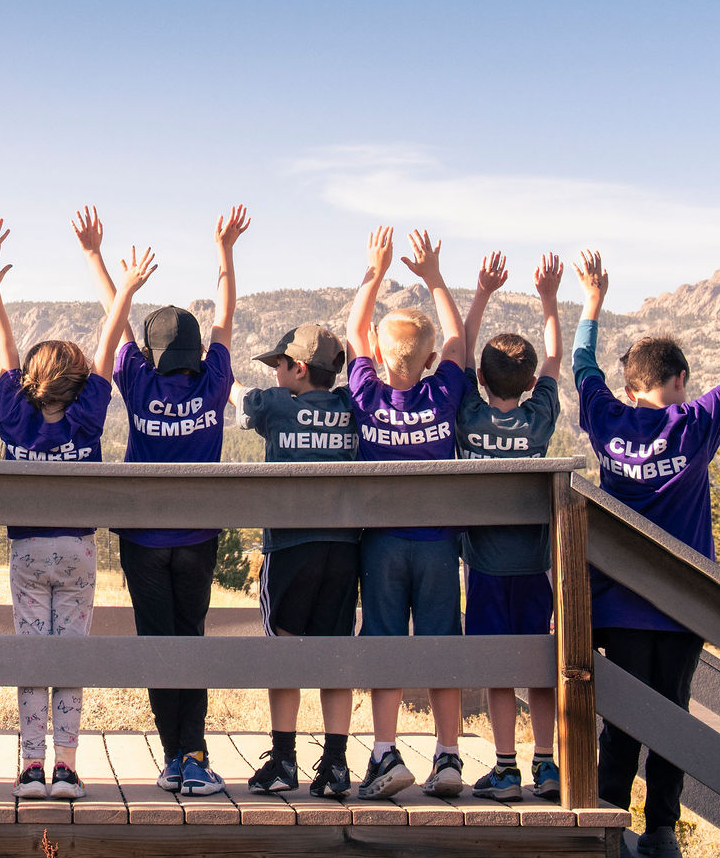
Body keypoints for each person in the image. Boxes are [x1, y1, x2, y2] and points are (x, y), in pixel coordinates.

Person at [575, 238, 720, 858]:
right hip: (681, 607)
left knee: (621, 720)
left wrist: (592, 301)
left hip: (618, 605)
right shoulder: (694, 424)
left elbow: (583, 366)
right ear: (679, 381)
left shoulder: (607, 420)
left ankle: (610, 822)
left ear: (630, 387)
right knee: (673, 715)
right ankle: (662, 830)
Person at [76, 204, 250, 798]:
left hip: (142, 537)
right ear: (198, 353)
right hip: (198, 535)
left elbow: (116, 323)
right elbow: (226, 317)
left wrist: (98, 258)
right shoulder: (215, 380)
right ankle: (195, 755)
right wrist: (225, 250)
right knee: (190, 638)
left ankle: (173, 755)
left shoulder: (138, 380)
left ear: (150, 355)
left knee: (156, 642)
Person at [0, 234, 154, 803]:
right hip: (78, 551)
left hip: (27, 553)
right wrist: (124, 289)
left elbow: (4, 346)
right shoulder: (87, 418)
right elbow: (107, 346)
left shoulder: (14, 416)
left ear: (30, 381)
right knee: (71, 659)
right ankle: (65, 768)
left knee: (33, 659)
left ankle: (31, 767)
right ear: (79, 383)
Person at [344, 226, 470, 801]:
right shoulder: (442, 394)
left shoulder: (366, 394)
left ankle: (384, 751)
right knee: (443, 646)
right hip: (438, 543)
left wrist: (374, 272)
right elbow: (458, 339)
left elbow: (354, 331)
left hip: (382, 543)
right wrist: (435, 277)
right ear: (429, 361)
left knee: (385, 644)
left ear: (378, 353)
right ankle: (448, 755)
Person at [455, 250, 564, 803]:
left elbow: (459, 352)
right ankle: (546, 763)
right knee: (540, 666)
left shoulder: (468, 416)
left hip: (485, 568)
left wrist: (480, 293)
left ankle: (504, 768)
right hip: (535, 567)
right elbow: (555, 358)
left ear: (480, 378)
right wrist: (549, 300)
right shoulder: (538, 419)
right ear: (529, 383)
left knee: (499, 669)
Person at [235, 323, 360, 800]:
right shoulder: (351, 406)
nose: (276, 372)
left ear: (300, 369)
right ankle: (336, 763)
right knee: (335, 652)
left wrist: (215, 366)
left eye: (280, 364)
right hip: (342, 549)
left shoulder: (276, 405)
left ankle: (284, 760)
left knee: (283, 649)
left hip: (289, 548)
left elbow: (239, 397)